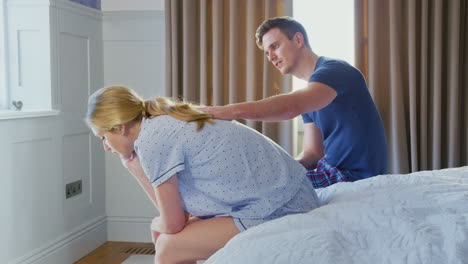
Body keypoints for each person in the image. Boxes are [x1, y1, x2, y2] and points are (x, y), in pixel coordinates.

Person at [85, 85, 320, 263]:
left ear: (121, 127)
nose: (106, 146)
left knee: (167, 246)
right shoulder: (159, 122)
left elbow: (173, 222)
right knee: (162, 234)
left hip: (283, 205)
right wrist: (134, 166)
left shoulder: (151, 140)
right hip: (287, 193)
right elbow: (176, 214)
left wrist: (133, 168)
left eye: (103, 137)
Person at [202, 16, 388, 188]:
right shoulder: (309, 95)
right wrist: (281, 168)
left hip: (349, 176)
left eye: (275, 46)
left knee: (251, 189)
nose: (271, 57)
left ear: (298, 40)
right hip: (330, 171)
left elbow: (291, 106)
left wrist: (230, 111)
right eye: (267, 53)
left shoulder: (335, 71)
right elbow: (313, 153)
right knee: (255, 182)